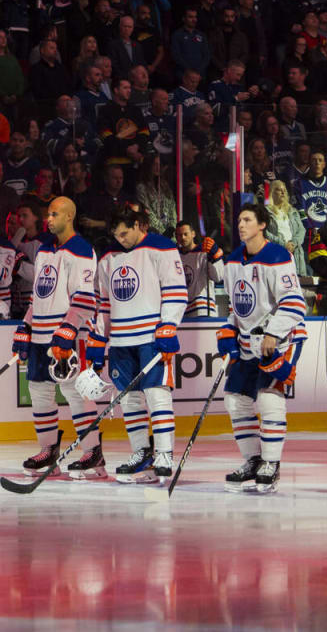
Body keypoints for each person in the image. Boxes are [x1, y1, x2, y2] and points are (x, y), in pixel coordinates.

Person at [90, 205, 186, 483]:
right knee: (128, 398)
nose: (121, 239)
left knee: (157, 393)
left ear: (139, 225)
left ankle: (165, 453)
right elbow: (105, 303)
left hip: (151, 337)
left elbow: (176, 290)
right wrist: (99, 337)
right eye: (116, 235)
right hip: (120, 340)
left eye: (125, 233)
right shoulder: (108, 257)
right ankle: (141, 452)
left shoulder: (162, 248)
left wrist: (168, 324)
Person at [217, 202, 308, 494]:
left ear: (262, 225)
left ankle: (271, 463)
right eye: (239, 219)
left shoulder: (278, 256)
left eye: (247, 219)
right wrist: (229, 333)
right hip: (248, 343)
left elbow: (295, 303)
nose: (241, 224)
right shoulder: (232, 261)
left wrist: (273, 332)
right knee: (235, 400)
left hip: (282, 339)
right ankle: (253, 461)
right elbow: (236, 309)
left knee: (269, 397)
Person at [12, 196, 102, 478]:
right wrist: (26, 326)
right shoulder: (43, 251)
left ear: (69, 217)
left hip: (68, 338)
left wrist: (68, 330)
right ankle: (49, 451)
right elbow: (37, 297)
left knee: (77, 394)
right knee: (39, 394)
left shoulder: (82, 250)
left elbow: (86, 299)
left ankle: (93, 453)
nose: (48, 220)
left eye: (54, 215)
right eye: (48, 215)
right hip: (40, 336)